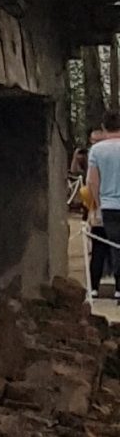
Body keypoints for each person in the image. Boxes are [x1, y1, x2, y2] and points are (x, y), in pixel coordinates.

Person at [86, 113, 120, 299]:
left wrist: (97, 205)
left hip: (108, 205)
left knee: (110, 244)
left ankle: (108, 287)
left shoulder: (97, 150)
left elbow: (92, 181)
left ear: (104, 127)